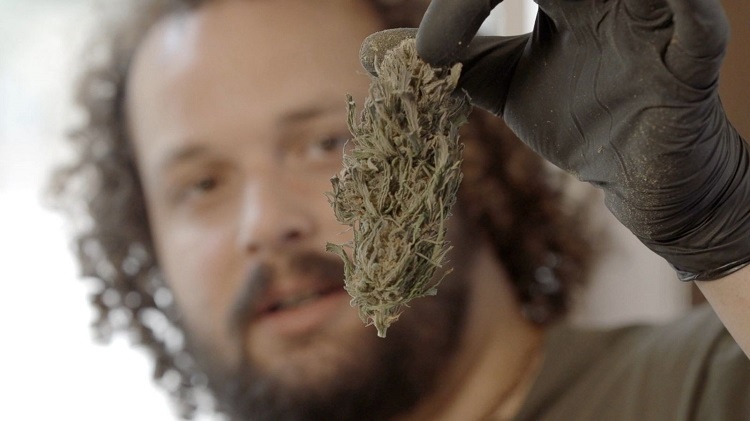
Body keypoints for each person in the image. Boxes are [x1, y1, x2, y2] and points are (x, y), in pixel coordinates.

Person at [49, 0, 750, 420]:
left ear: (466, 153)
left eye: (326, 141)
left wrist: (727, 237)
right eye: (202, 185)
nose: (264, 223)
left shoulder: (701, 387)